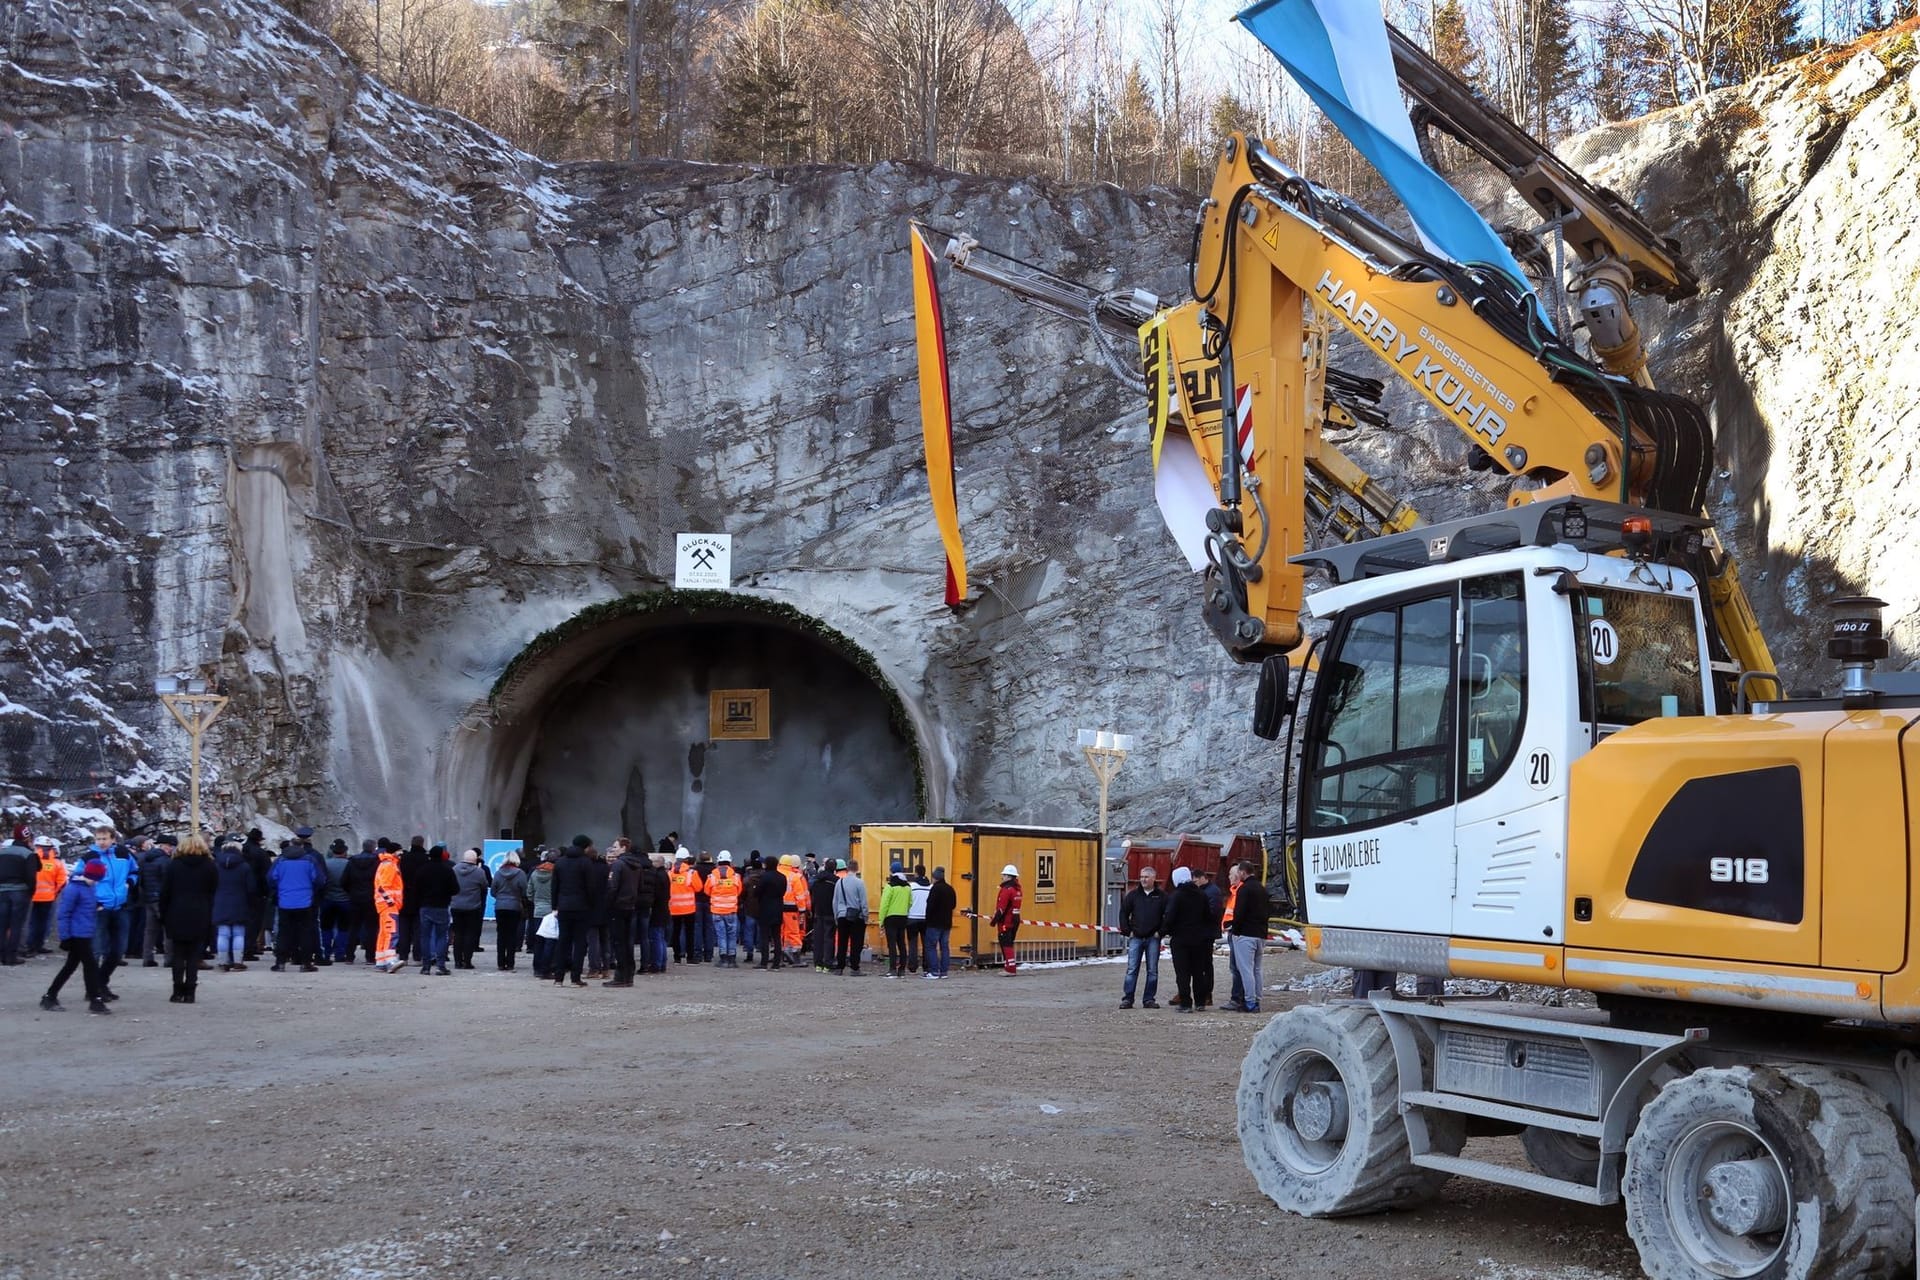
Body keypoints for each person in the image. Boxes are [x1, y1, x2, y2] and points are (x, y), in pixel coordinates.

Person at [42, 859, 109, 1014]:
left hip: (85, 932)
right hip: (77, 934)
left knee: (71, 966)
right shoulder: (73, 889)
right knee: (90, 966)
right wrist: (65, 937)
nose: (95, 882)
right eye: (95, 879)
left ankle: (50, 995)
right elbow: (64, 914)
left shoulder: (88, 887)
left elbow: (85, 906)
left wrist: (96, 905)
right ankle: (95, 1000)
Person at [160, 836, 217, 1004]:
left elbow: (165, 892)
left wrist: (163, 914)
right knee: (194, 954)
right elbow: (213, 891)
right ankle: (190, 992)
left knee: (178, 953)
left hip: (176, 911)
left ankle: (177, 991)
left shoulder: (174, 866)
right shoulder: (209, 866)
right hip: (200, 912)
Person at [88, 824, 138, 998]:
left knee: (118, 950)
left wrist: (129, 884)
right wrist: (92, 900)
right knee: (96, 950)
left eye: (104, 838)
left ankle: (101, 982)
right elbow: (78, 877)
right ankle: (93, 988)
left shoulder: (123, 854)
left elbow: (135, 871)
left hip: (120, 906)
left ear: (113, 839)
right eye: (98, 839)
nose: (101, 842)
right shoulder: (90, 856)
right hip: (100, 906)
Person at [550, 835, 603, 987]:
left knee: (563, 941)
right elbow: (591, 887)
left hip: (564, 907)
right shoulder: (586, 863)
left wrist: (555, 906)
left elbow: (554, 887)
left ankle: (558, 978)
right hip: (581, 907)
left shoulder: (560, 862)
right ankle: (575, 978)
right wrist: (592, 905)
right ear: (586, 847)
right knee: (579, 943)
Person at [267, 834, 325, 972]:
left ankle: (280, 962)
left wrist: (279, 890)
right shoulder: (310, 860)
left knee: (283, 933)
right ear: (302, 847)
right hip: (305, 902)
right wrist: (311, 891)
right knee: (305, 932)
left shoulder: (280, 861)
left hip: (285, 902)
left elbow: (270, 878)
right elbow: (319, 880)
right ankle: (305, 963)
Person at [1162, 866, 1214, 1012]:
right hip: (1199, 939)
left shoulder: (1176, 896)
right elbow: (1208, 916)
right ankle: (1200, 1002)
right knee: (1198, 972)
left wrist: (1163, 931)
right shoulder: (1201, 894)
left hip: (1180, 939)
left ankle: (1185, 1003)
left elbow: (1170, 917)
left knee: (1182, 972)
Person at [1117, 865, 1168, 1009]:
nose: (1143, 879)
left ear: (1153, 878)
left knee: (1152, 970)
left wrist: (1161, 932)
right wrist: (1128, 931)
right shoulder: (1133, 895)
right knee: (1132, 969)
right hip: (1136, 938)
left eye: (1146, 877)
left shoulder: (1162, 896)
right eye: (1141, 877)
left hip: (1153, 938)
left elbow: (1168, 915)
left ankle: (1149, 999)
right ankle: (1128, 998)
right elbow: (1123, 913)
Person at [1224, 861, 1270, 1014]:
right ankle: (1257, 999)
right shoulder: (1262, 889)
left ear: (1243, 872)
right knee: (1257, 969)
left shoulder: (1244, 889)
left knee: (1246, 970)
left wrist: (1234, 928)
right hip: (1260, 934)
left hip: (1245, 934)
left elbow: (1240, 913)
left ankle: (1249, 1002)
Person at [604, 840, 649, 987]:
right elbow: (641, 886)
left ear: (624, 848)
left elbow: (612, 887)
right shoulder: (637, 866)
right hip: (631, 906)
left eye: (616, 846)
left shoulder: (618, 865)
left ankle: (620, 976)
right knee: (628, 942)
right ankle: (629, 975)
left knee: (618, 942)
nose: (614, 849)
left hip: (618, 907)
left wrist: (608, 904)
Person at [212, 835, 256, 971]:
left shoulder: (216, 865)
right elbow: (251, 888)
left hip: (220, 901)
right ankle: (237, 961)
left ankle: (222, 961)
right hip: (240, 901)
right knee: (238, 933)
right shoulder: (244, 866)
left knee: (223, 933)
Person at [415, 845, 458, 976]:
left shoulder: (422, 870)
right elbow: (455, 889)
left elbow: (416, 888)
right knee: (441, 936)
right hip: (441, 906)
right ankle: (440, 965)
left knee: (425, 937)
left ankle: (426, 966)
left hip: (425, 906)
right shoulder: (447, 870)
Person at [449, 849, 491, 969]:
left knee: (458, 934)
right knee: (469, 934)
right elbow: (484, 886)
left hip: (456, 906)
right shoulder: (479, 872)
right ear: (475, 860)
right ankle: (467, 961)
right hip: (473, 907)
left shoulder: (455, 869)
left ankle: (457, 961)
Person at [137, 834, 173, 968]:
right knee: (168, 929)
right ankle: (169, 959)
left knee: (150, 930)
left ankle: (147, 958)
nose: (171, 849)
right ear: (165, 846)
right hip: (162, 899)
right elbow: (168, 881)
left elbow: (142, 879)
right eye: (170, 846)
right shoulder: (166, 861)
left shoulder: (146, 859)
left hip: (149, 898)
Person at [27, 837, 66, 957]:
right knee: (43, 923)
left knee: (31, 923)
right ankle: (39, 945)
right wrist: (54, 893)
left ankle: (30, 946)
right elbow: (62, 881)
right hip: (48, 897)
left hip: (31, 897)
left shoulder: (30, 859)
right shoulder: (56, 862)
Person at [342, 840, 380, 964]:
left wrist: (351, 892)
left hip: (355, 898)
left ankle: (349, 956)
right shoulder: (376, 862)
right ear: (373, 848)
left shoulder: (352, 861)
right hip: (371, 898)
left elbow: (344, 881)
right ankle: (370, 956)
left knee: (353, 927)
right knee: (371, 928)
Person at [491, 851, 529, 971]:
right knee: (512, 934)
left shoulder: (498, 873)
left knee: (501, 934)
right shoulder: (520, 873)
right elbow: (524, 891)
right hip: (514, 906)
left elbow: (493, 891)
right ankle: (510, 962)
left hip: (500, 906)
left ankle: (500, 963)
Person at [0, 829, 32, 966]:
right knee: (16, 925)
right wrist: (30, 892)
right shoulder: (28, 854)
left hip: (2, 891)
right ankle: (12, 956)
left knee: (2, 925)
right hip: (20, 891)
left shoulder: (2, 852)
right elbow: (31, 877)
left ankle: (1, 955)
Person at [396, 835, 430, 963]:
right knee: (419, 929)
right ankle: (417, 956)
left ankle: (403, 955)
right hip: (420, 898)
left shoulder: (403, 858)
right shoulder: (426, 859)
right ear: (422, 844)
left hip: (403, 897)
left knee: (403, 929)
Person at [705, 851, 742, 968]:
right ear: (730, 861)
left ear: (718, 861)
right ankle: (732, 959)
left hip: (717, 911)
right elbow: (739, 891)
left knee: (721, 935)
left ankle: (723, 959)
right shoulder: (735, 876)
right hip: (731, 910)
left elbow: (706, 891)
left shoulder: (712, 876)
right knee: (732, 935)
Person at [751, 852, 789, 969]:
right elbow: (783, 892)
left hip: (765, 908)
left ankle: (764, 962)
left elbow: (757, 893)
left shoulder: (764, 877)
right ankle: (776, 963)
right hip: (778, 907)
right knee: (776, 937)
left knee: (764, 937)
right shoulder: (782, 877)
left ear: (767, 864)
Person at [320, 839, 354, 963]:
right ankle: (340, 953)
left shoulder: (325, 864)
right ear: (345, 851)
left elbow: (321, 881)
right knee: (343, 928)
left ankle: (326, 953)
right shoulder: (349, 864)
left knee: (326, 927)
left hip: (328, 900)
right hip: (345, 900)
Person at [831, 861, 867, 974]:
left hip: (841, 915)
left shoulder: (839, 882)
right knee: (856, 943)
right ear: (857, 869)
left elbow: (834, 901)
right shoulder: (859, 883)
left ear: (847, 869)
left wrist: (836, 916)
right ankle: (854, 967)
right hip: (857, 917)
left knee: (842, 942)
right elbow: (863, 902)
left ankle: (839, 967)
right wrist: (865, 916)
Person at [373, 845, 405, 972]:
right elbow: (383, 887)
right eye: (400, 852)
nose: (401, 855)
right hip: (389, 906)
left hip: (384, 905)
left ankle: (381, 961)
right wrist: (391, 902)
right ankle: (390, 960)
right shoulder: (390, 866)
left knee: (383, 933)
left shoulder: (385, 864)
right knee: (391, 932)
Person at [240, 829, 271, 959]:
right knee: (255, 921)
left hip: (240, 891)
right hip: (257, 892)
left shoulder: (241, 851)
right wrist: (267, 892)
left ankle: (242, 948)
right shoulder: (261, 853)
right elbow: (267, 874)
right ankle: (249, 948)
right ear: (259, 840)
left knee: (241, 921)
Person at [527, 853, 557, 978]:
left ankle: (537, 968)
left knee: (538, 942)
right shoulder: (555, 874)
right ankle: (547, 968)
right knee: (550, 941)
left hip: (538, 910)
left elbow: (529, 892)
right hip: (552, 911)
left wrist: (536, 902)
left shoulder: (534, 873)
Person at [668, 851, 702, 964]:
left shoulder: (670, 873)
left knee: (676, 932)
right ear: (687, 859)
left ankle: (677, 957)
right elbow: (698, 888)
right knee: (689, 933)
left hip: (674, 908)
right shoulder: (691, 873)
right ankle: (690, 957)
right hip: (689, 908)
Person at [879, 863, 911, 977]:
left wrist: (881, 921)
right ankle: (902, 970)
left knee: (892, 944)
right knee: (902, 943)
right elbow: (910, 903)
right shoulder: (907, 887)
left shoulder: (890, 886)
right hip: (903, 917)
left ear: (891, 872)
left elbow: (884, 905)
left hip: (891, 918)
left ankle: (892, 969)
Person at [923, 866, 956, 979]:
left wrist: (927, 920)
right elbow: (953, 905)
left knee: (931, 946)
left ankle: (934, 971)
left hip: (934, 923)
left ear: (934, 878)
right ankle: (944, 972)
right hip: (947, 923)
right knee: (944, 947)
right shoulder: (950, 889)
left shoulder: (935, 889)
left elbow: (930, 906)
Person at [990, 864, 1022, 975]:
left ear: (1009, 877)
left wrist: (993, 921)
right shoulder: (1017, 890)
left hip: (1006, 921)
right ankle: (1009, 965)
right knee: (1009, 943)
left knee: (1005, 943)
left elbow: (1001, 909)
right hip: (1015, 920)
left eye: (1004, 875)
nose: (1002, 877)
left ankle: (1010, 969)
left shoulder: (1006, 890)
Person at [809, 858, 839, 972]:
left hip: (818, 912)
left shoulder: (816, 879)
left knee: (818, 939)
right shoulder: (836, 881)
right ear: (834, 868)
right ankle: (827, 964)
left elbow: (811, 893)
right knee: (829, 939)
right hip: (830, 913)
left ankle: (818, 964)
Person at [779, 854, 810, 964]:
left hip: (778, 908)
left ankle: (782, 955)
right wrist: (802, 910)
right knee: (793, 932)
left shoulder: (777, 874)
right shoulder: (794, 877)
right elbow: (800, 896)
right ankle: (796, 958)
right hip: (791, 909)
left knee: (781, 932)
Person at [644, 852, 671, 975]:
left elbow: (655, 894)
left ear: (658, 863)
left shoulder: (656, 876)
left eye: (653, 862)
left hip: (657, 910)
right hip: (664, 909)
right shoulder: (665, 875)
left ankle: (657, 964)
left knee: (656, 938)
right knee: (661, 938)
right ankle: (662, 963)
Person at [904, 864, 932, 975]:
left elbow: (908, 902)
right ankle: (926, 966)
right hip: (926, 919)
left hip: (912, 918)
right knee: (926, 944)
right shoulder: (930, 887)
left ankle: (912, 966)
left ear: (916, 873)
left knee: (912, 943)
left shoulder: (911, 886)